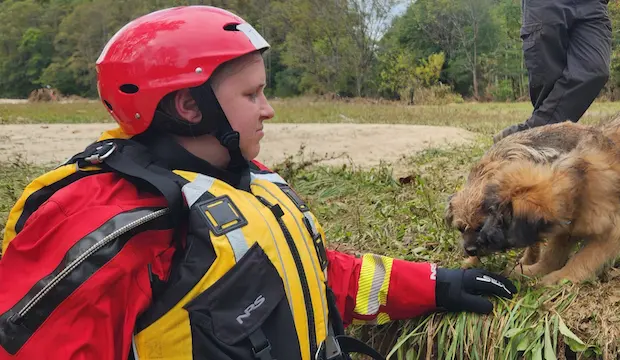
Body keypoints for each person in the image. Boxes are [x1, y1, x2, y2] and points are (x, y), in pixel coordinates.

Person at [0, 5, 518, 360]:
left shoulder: (251, 180)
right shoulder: (107, 224)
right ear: (188, 106)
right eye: (252, 96)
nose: (268, 110)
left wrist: (431, 285)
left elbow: (304, 278)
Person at [493, 0, 613, 143]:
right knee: (549, 81)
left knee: (596, 68)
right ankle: (543, 146)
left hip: (592, 5)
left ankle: (526, 137)